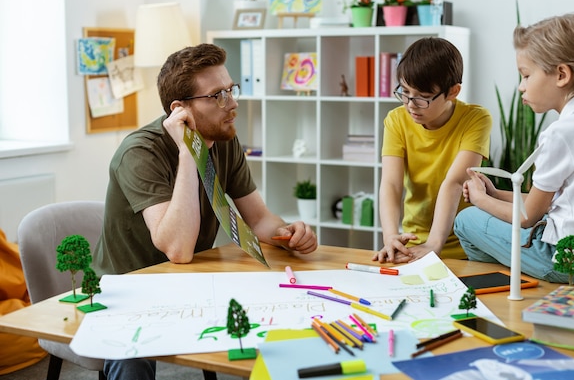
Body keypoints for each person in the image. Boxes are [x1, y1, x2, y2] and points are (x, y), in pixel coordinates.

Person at [92, 43, 317, 379]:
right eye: (218, 96)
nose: (234, 103)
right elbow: (178, 249)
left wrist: (288, 233)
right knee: (131, 359)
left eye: (231, 90)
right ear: (180, 109)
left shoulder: (224, 141)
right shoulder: (140, 153)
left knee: (285, 317)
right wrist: (187, 153)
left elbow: (259, 219)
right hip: (127, 291)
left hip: (190, 281)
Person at [454, 12, 574, 284]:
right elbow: (547, 203)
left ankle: (509, 289)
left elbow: (528, 216)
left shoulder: (561, 133)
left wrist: (480, 200)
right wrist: (496, 193)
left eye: (526, 75)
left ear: (561, 74)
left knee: (467, 220)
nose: (521, 87)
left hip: (568, 262)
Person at [372, 37, 492, 264]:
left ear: (453, 91)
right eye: (405, 92)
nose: (410, 105)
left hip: (468, 245)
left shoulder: (476, 119)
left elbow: (455, 182)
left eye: (423, 98)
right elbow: (391, 183)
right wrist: (390, 237)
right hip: (414, 243)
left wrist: (434, 244)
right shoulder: (396, 120)